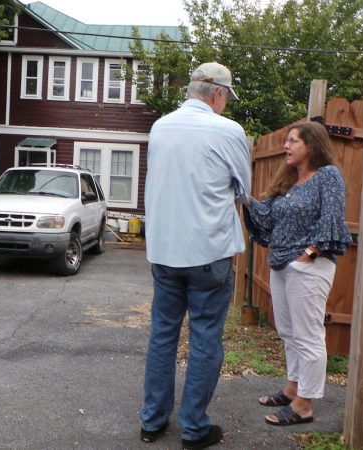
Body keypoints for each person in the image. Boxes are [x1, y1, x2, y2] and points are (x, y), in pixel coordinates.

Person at [140, 62, 251, 450]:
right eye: (226, 97)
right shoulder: (228, 130)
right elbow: (243, 190)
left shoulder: (160, 127)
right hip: (208, 250)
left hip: (164, 250)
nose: (226, 104)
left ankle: (152, 421)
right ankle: (193, 428)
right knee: (205, 339)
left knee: (163, 335)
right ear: (217, 93)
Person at [243, 121, 352, 426]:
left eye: (293, 141)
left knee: (308, 335)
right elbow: (266, 215)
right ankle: (293, 388)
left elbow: (332, 218)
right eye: (287, 141)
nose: (286, 146)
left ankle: (305, 403)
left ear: (312, 145)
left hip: (309, 266)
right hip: (281, 264)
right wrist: (244, 197)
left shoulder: (328, 176)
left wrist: (308, 256)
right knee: (289, 332)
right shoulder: (289, 180)